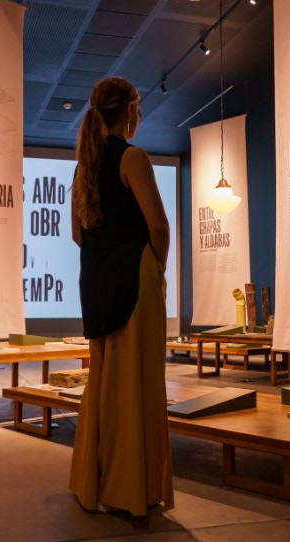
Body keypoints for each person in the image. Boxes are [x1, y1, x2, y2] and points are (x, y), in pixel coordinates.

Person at [68, 76, 174, 516]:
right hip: (135, 281)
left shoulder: (84, 167)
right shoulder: (133, 158)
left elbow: (78, 235)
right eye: (138, 107)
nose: (139, 114)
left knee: (104, 383)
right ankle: (132, 491)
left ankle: (94, 484)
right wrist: (157, 268)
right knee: (137, 385)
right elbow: (159, 227)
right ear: (128, 110)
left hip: (95, 283)